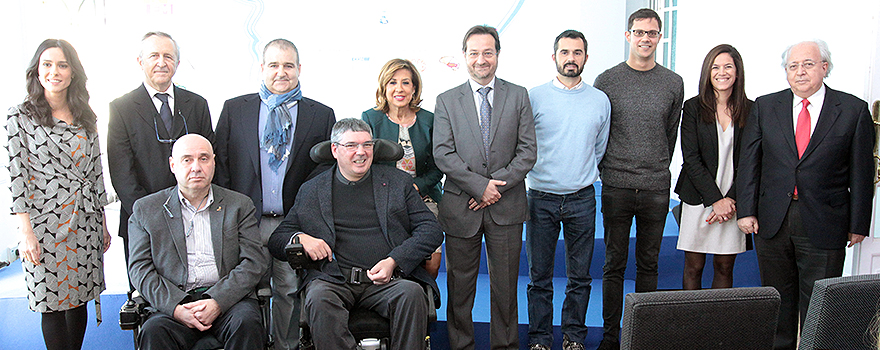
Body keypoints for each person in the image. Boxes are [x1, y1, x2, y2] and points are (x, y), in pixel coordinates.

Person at [736, 40, 875, 350]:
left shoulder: (853, 110)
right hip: (773, 220)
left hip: (827, 220)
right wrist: (746, 210)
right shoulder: (765, 106)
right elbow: (749, 164)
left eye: (808, 64)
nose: (800, 72)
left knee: (821, 305)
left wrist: (858, 224)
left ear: (824, 67)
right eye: (793, 66)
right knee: (778, 300)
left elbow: (862, 173)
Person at [267, 118, 443, 350]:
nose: (361, 152)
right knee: (318, 298)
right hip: (333, 280)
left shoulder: (397, 183)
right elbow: (278, 238)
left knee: (411, 294)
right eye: (351, 145)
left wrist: (395, 261)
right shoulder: (312, 190)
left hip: (388, 280)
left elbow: (431, 229)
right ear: (335, 149)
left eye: (367, 145)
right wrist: (300, 238)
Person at [213, 38, 335, 350]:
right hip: (242, 222)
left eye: (288, 65)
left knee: (288, 291)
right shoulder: (234, 109)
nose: (281, 72)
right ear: (262, 68)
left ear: (299, 69)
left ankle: (286, 347)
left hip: (292, 224)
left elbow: (325, 172)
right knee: (243, 291)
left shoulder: (321, 115)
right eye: (274, 65)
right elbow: (222, 164)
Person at [434, 25, 537, 350]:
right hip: (461, 207)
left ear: (498, 55)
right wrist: (480, 187)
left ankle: (504, 346)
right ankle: (461, 346)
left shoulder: (518, 94)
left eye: (488, 52)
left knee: (506, 289)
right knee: (460, 289)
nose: (481, 60)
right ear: (464, 56)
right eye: (474, 53)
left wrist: (496, 189)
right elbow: (443, 153)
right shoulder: (447, 100)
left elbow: (527, 152)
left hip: (506, 208)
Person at [7, 38, 110, 350]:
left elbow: (95, 172)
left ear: (72, 72)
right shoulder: (20, 117)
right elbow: (16, 177)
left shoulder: (85, 115)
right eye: (47, 64)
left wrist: (102, 222)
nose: (55, 71)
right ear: (37, 72)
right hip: (43, 226)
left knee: (78, 298)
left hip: (85, 221)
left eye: (62, 65)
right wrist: (25, 232)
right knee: (49, 301)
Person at [593, 8, 684, 350]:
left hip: (656, 186)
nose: (645, 38)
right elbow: (601, 132)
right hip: (615, 184)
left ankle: (642, 336)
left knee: (648, 263)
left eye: (652, 33)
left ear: (659, 37)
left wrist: (656, 164)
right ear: (628, 35)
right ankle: (610, 337)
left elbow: (669, 132)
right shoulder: (607, 80)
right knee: (613, 263)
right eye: (639, 32)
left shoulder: (673, 82)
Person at [127, 134, 270, 350]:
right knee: (153, 331)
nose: (196, 167)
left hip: (228, 302)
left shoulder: (238, 205)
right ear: (173, 165)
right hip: (174, 304)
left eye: (203, 158)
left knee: (247, 322)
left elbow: (253, 262)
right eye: (187, 159)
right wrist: (175, 308)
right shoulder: (146, 210)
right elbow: (140, 270)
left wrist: (217, 302)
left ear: (213, 162)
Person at [525, 29, 610, 350]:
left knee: (580, 277)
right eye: (565, 52)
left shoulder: (599, 100)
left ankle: (573, 338)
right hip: (541, 197)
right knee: (539, 278)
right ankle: (540, 340)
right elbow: (525, 145)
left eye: (577, 53)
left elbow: (599, 148)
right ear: (554, 57)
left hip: (582, 198)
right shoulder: (534, 97)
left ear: (586, 58)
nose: (571, 58)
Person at [108, 31, 214, 280]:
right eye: (154, 55)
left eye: (168, 56)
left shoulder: (197, 105)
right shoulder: (121, 109)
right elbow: (122, 174)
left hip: (195, 219)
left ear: (177, 64)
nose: (161, 62)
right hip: (143, 221)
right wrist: (153, 217)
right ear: (140, 62)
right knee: (149, 297)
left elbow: (208, 159)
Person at [674, 44, 753, 290]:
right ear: (708, 72)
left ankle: (718, 327)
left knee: (724, 267)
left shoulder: (751, 110)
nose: (722, 72)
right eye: (715, 67)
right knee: (694, 266)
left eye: (728, 66)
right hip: (699, 197)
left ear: (737, 72)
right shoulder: (693, 107)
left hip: (733, 202)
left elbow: (751, 161)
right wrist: (715, 200)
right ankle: (691, 325)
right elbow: (691, 158)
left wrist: (729, 201)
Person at [361, 58, 443, 275]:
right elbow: (365, 163)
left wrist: (417, 187)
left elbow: (438, 167)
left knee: (432, 264)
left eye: (406, 83)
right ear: (384, 87)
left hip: (424, 198)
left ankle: (425, 304)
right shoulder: (370, 118)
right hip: (383, 200)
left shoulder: (430, 120)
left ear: (414, 88)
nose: (399, 89)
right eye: (392, 82)